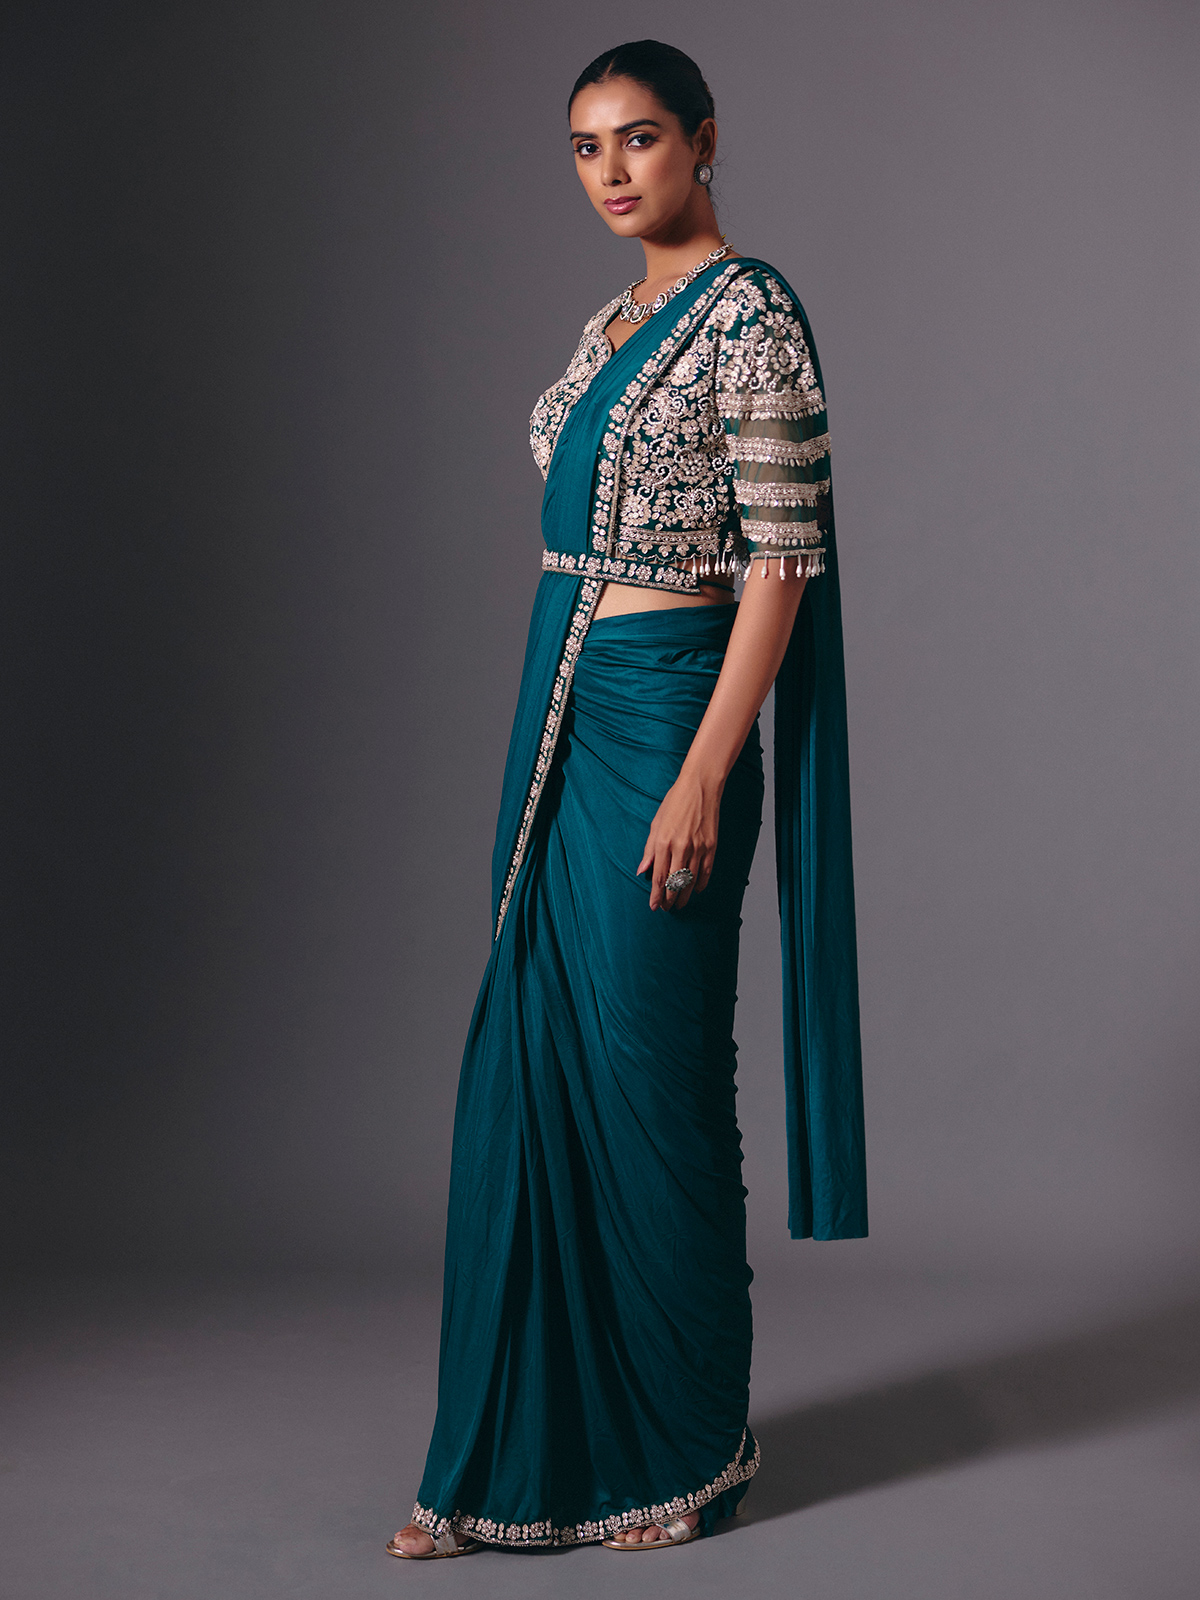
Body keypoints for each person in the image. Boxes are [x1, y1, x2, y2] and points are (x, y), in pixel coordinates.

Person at [389, 39, 866, 1559]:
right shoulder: (613, 326)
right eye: (587, 147)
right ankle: (502, 1463)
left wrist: (705, 773)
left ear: (704, 142)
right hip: (564, 716)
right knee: (534, 1077)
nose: (611, 171)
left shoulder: (752, 313)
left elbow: (781, 563)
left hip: (670, 719)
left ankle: (689, 1447)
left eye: (640, 139)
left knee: (655, 1080)